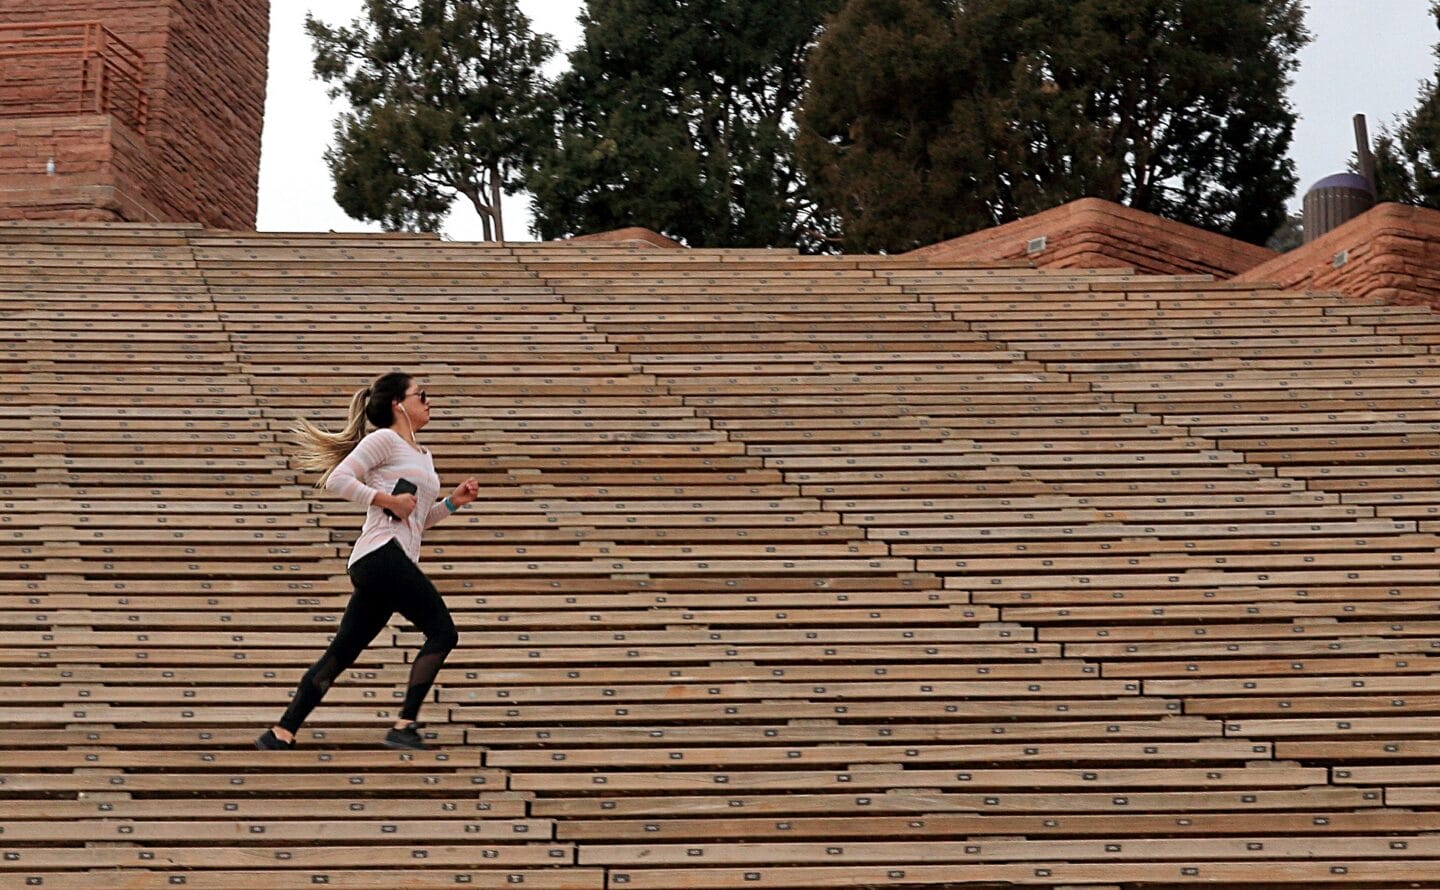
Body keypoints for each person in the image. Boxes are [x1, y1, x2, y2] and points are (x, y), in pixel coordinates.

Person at [255, 372, 478, 751]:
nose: (428, 400)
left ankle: (281, 732)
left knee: (343, 652)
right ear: (397, 403)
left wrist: (454, 502)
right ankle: (404, 725)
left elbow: (418, 520)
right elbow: (339, 479)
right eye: (420, 394)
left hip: (388, 560)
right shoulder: (385, 439)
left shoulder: (422, 455)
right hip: (380, 554)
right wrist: (386, 500)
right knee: (443, 632)